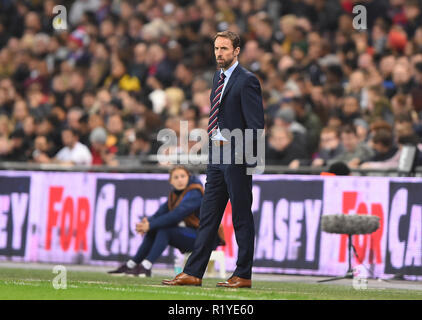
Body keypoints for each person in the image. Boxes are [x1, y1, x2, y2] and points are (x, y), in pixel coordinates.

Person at [162, 30, 265, 288]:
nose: (219, 53)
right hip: (217, 157)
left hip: (237, 158)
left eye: (225, 49)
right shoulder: (217, 77)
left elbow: (256, 126)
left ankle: (243, 274)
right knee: (208, 216)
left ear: (237, 51)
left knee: (241, 217)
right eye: (217, 48)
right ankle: (194, 272)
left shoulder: (247, 80)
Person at [108, 166, 225, 277]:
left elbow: (176, 215)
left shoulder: (195, 192)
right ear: (171, 182)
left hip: (207, 239)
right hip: (195, 236)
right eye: (176, 177)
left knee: (164, 229)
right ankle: (132, 264)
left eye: (183, 176)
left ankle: (146, 266)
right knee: (156, 228)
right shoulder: (175, 194)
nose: (180, 180)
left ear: (188, 177)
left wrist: (150, 225)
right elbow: (160, 213)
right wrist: (147, 223)